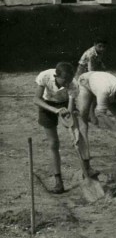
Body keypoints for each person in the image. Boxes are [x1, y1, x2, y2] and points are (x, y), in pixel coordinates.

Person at [34, 62, 90, 193]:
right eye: (64, 80)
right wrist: (55, 110)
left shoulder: (73, 84)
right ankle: (58, 182)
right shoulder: (44, 76)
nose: (67, 83)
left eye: (70, 80)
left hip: (64, 103)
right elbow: (36, 100)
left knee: (78, 138)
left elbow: (69, 110)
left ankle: (87, 170)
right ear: (56, 75)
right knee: (54, 143)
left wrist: (70, 122)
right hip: (46, 105)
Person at [76, 71, 116, 156]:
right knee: (83, 113)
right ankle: (84, 150)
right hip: (86, 81)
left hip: (101, 83)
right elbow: (100, 113)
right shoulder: (104, 90)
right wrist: (115, 131)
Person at [75, 38, 108, 125]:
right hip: (83, 72)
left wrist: (103, 68)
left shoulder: (99, 52)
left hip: (91, 70)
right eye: (99, 46)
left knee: (94, 94)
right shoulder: (91, 54)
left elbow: (99, 62)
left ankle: (90, 113)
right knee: (88, 94)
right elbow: (90, 71)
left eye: (104, 47)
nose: (102, 48)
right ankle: (88, 114)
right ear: (95, 44)